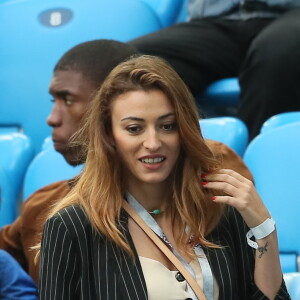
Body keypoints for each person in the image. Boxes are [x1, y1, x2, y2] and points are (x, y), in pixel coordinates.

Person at [0, 40, 252, 284]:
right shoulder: (47, 206)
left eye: (68, 100)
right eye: (53, 101)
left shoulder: (208, 165)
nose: (51, 118)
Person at [38, 55, 290, 300]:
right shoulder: (70, 226)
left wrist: (264, 229)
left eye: (167, 125)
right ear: (109, 135)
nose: (153, 142)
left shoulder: (220, 208)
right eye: (134, 129)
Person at [129, 0, 300, 140]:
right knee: (132, 64)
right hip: (216, 21)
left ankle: (252, 166)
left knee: (278, 53)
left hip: (290, 16)